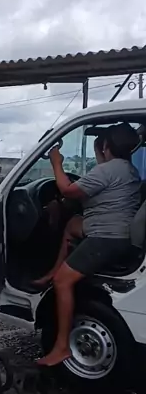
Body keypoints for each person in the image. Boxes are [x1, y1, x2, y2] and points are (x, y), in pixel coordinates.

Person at [36, 123, 141, 367]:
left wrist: (56, 162)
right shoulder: (127, 169)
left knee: (64, 282)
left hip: (106, 239)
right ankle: (52, 272)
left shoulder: (107, 170)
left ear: (106, 146)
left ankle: (62, 347)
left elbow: (67, 190)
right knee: (72, 224)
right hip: (118, 233)